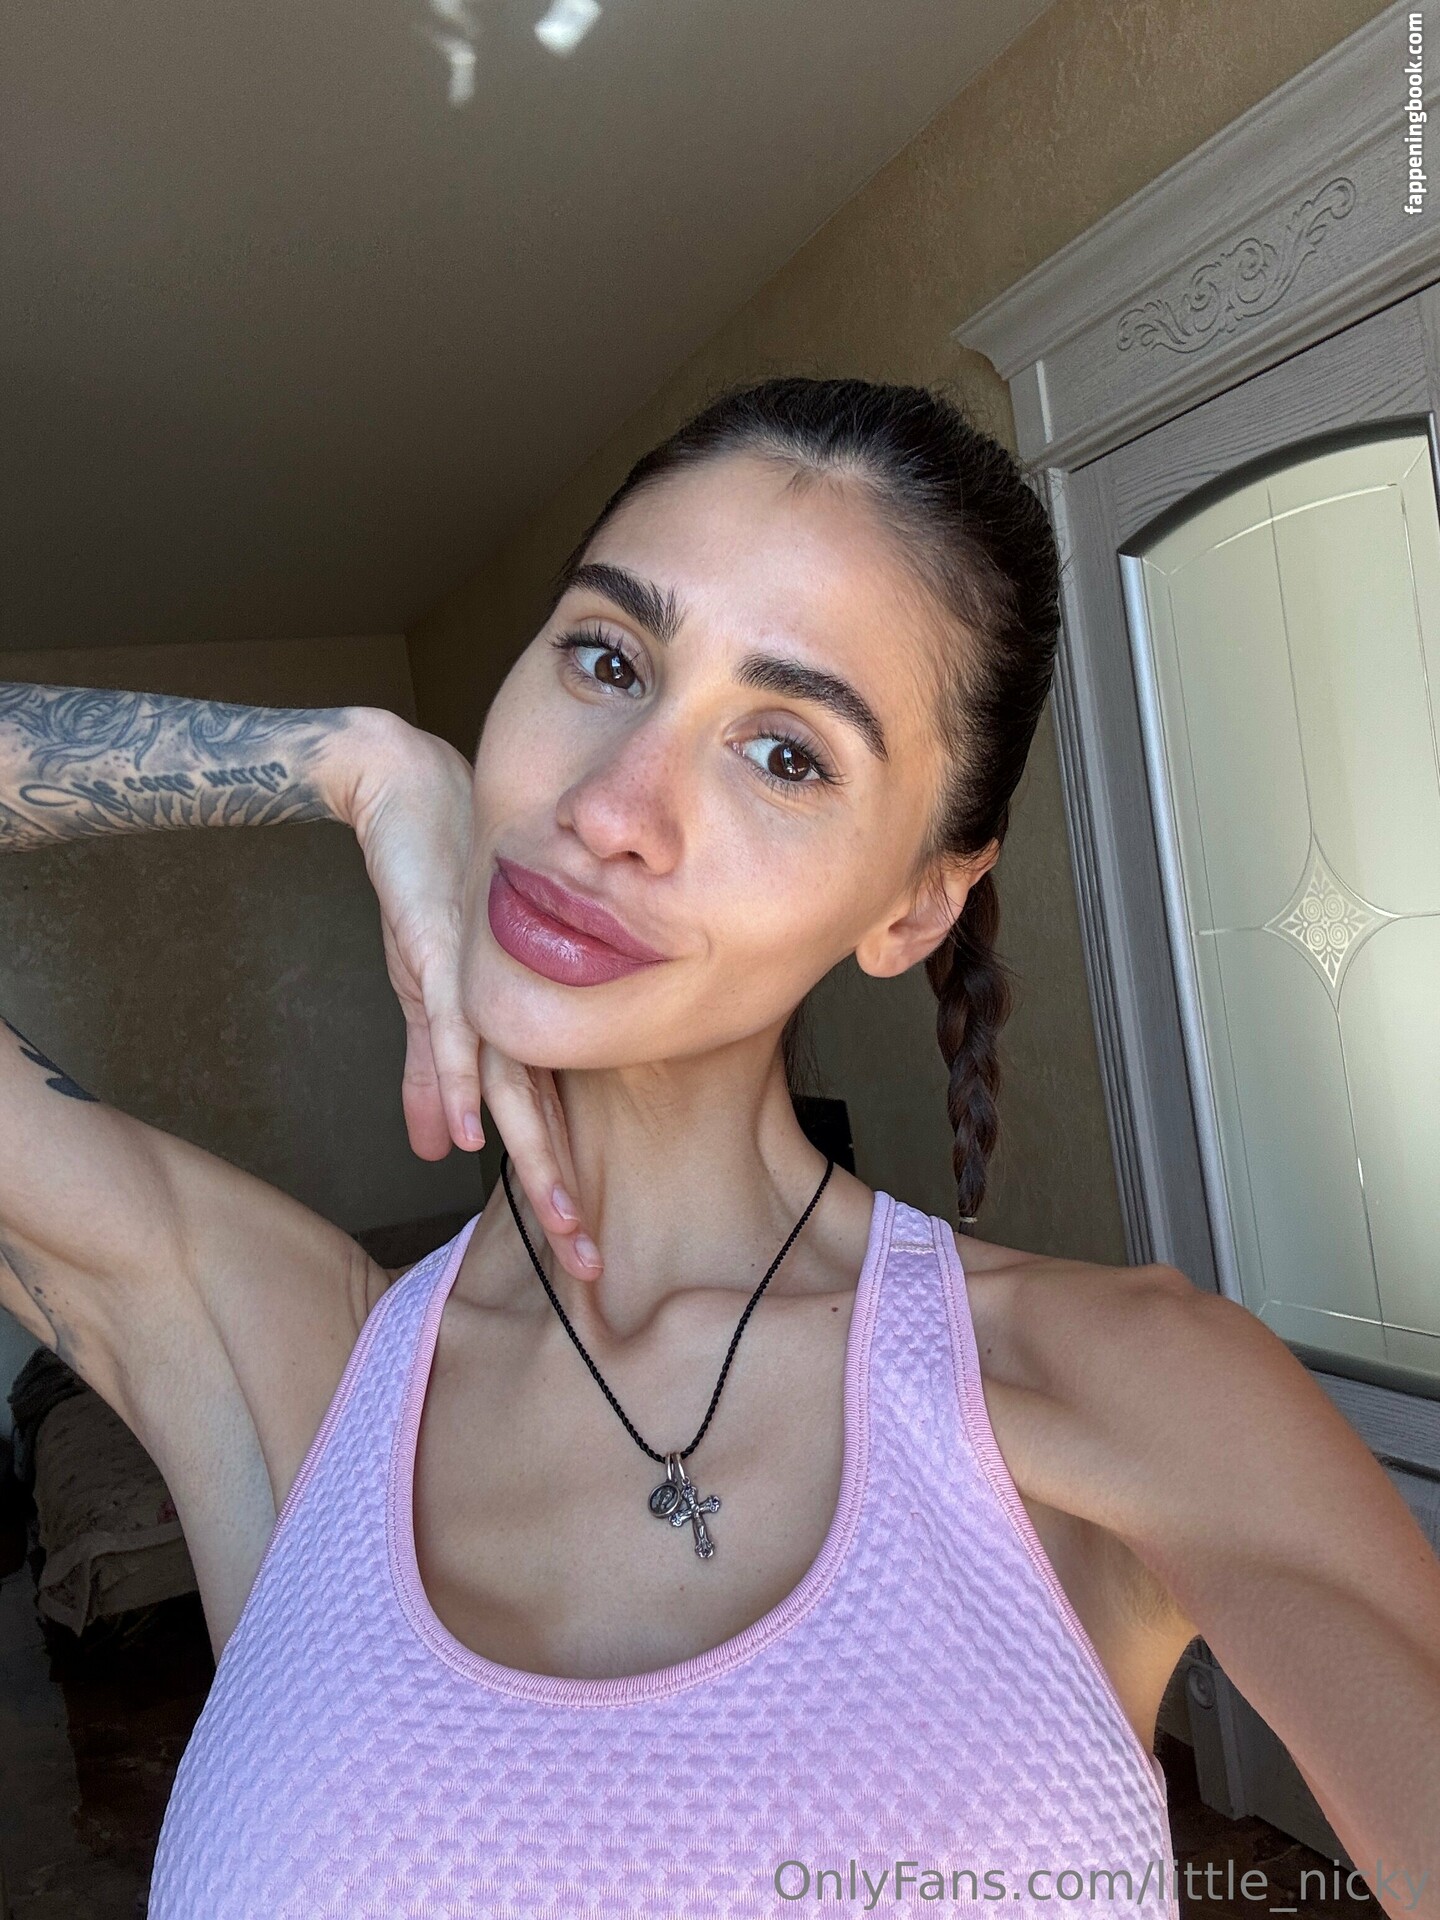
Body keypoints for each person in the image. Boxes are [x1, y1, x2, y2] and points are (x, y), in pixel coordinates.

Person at [0, 378, 1435, 1920]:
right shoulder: (294, 1365)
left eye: (787, 754)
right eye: (607, 658)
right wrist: (349, 761)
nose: (613, 805)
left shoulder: (1136, 1389)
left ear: (917, 906)